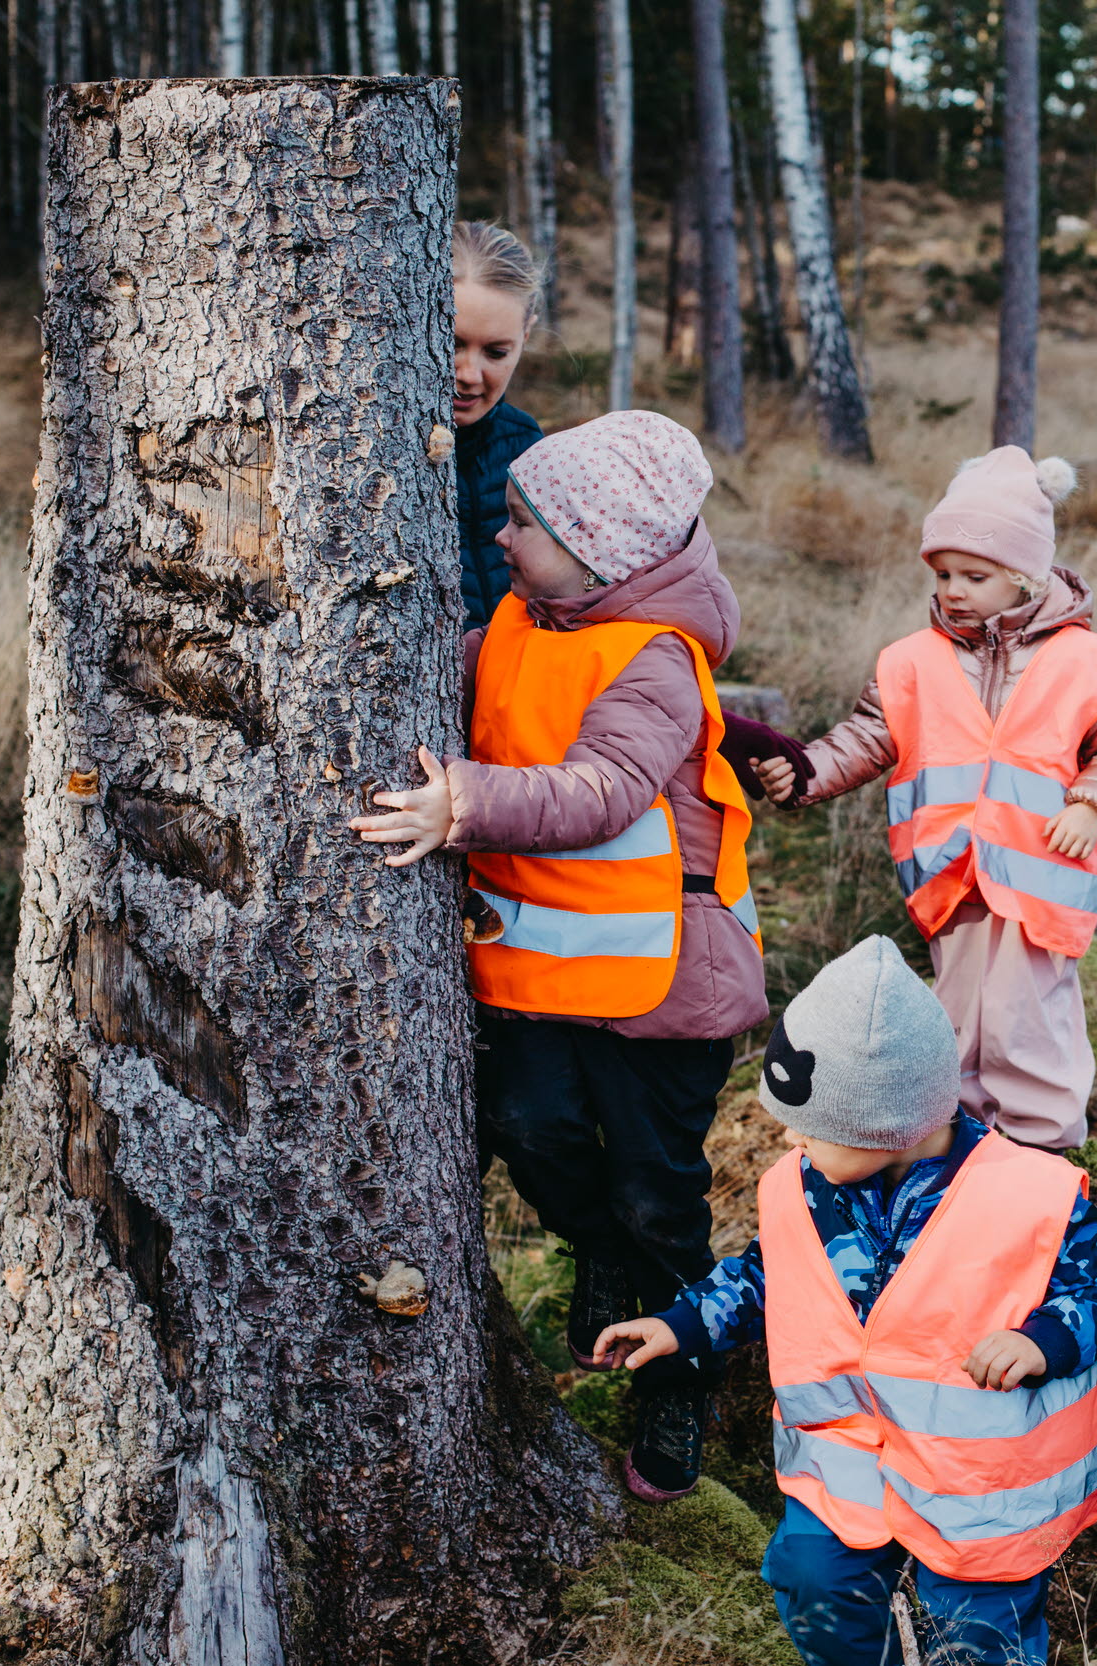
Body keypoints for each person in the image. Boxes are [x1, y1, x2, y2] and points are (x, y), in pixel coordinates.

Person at [348, 410, 766, 1503]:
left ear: (600, 552)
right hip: (542, 968)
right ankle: (601, 1254)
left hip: (665, 987)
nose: (500, 536)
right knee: (529, 1129)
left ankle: (681, 1368)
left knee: (658, 1195)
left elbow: (601, 792)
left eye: (523, 523)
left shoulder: (656, 660)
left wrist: (462, 805)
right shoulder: (527, 613)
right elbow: (467, 678)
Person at [592, 936, 1097, 1666]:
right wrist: (682, 1323)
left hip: (978, 1494)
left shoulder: (1027, 1195)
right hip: (846, 1467)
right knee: (810, 1582)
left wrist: (1045, 1341)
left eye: (812, 1126)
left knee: (977, 1639)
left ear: (886, 1122)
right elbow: (767, 1274)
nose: (791, 1139)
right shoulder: (802, 1187)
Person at [748, 448, 1097, 1151]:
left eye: (976, 574)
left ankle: (1041, 1152)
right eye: (943, 574)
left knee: (1029, 1020)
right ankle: (962, 1144)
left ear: (1025, 576)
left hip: (1038, 881)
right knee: (956, 1018)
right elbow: (868, 736)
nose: (955, 589)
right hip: (950, 879)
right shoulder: (911, 661)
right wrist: (808, 771)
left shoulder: (1089, 663)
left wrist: (1091, 803)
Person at [451, 220, 549, 633]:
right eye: (450, 342)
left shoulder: (529, 448)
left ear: (525, 334)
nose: (469, 374)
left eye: (495, 352)